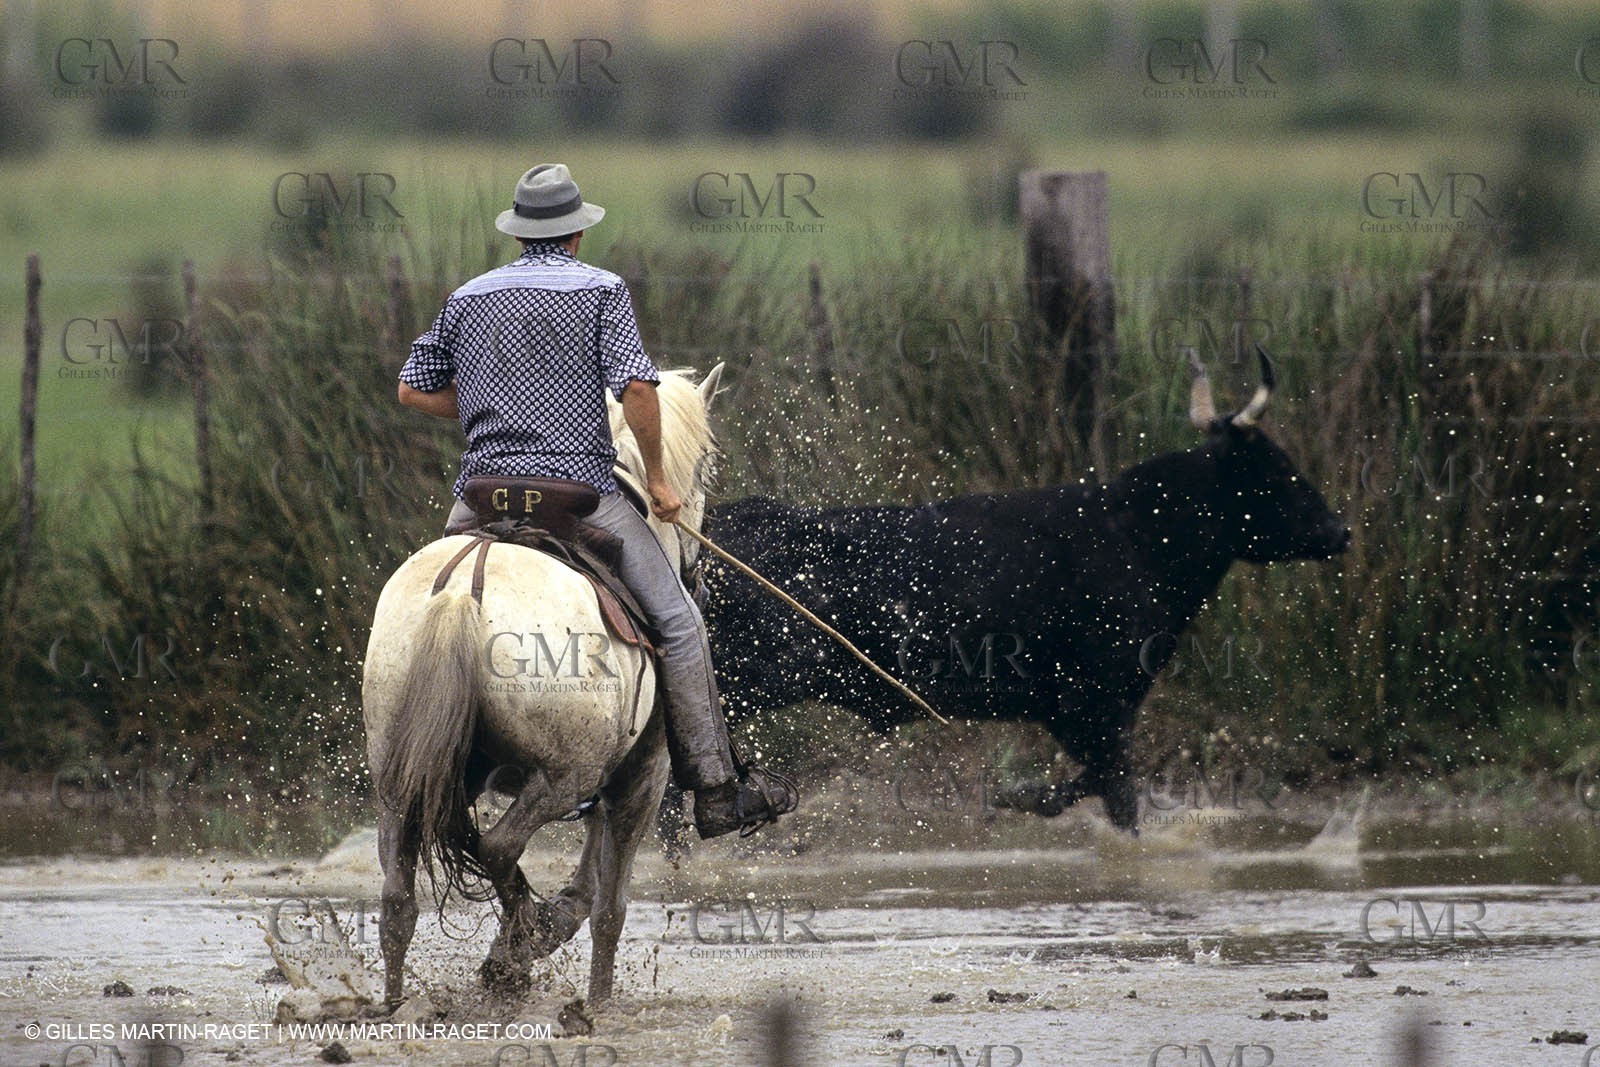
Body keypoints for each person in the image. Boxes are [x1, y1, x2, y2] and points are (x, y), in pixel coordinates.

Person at [396, 162, 796, 839]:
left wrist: (496, 409)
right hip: (576, 498)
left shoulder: (469, 294)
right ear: (577, 233)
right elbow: (637, 391)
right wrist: (661, 480)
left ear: (519, 234)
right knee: (681, 623)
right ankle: (716, 791)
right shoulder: (601, 290)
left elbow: (412, 389)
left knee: (436, 598)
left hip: (481, 498)